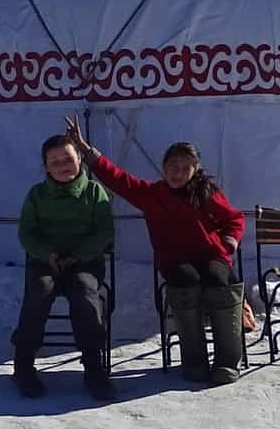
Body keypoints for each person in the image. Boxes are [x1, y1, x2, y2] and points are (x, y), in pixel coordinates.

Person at [64, 115, 246, 385]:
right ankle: (193, 361)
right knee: (187, 281)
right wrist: (85, 150)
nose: (178, 172)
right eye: (173, 166)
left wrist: (229, 242)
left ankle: (227, 362)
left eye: (185, 167)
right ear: (163, 167)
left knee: (220, 279)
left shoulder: (206, 193)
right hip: (176, 261)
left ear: (195, 169)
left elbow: (234, 218)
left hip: (210, 255)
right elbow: (117, 178)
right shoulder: (152, 195)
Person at [12, 133, 116, 400]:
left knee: (84, 291)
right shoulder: (36, 195)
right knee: (40, 289)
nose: (62, 165)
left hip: (85, 262)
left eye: (67, 158)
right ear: (45, 166)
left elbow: (104, 233)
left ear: (79, 159)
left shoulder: (94, 192)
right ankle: (24, 364)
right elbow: (27, 234)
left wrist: (78, 256)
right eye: (54, 161)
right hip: (46, 262)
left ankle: (94, 366)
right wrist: (48, 255)